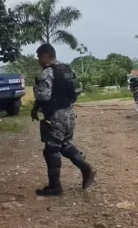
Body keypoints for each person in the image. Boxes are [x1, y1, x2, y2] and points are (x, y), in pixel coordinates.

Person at [31, 43, 97, 196]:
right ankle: (87, 169)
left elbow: (44, 96)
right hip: (69, 113)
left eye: (39, 57)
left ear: (45, 56)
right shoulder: (68, 69)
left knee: (51, 150)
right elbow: (75, 91)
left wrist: (36, 90)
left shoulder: (48, 72)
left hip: (56, 116)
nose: (38, 61)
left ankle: (55, 187)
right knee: (65, 145)